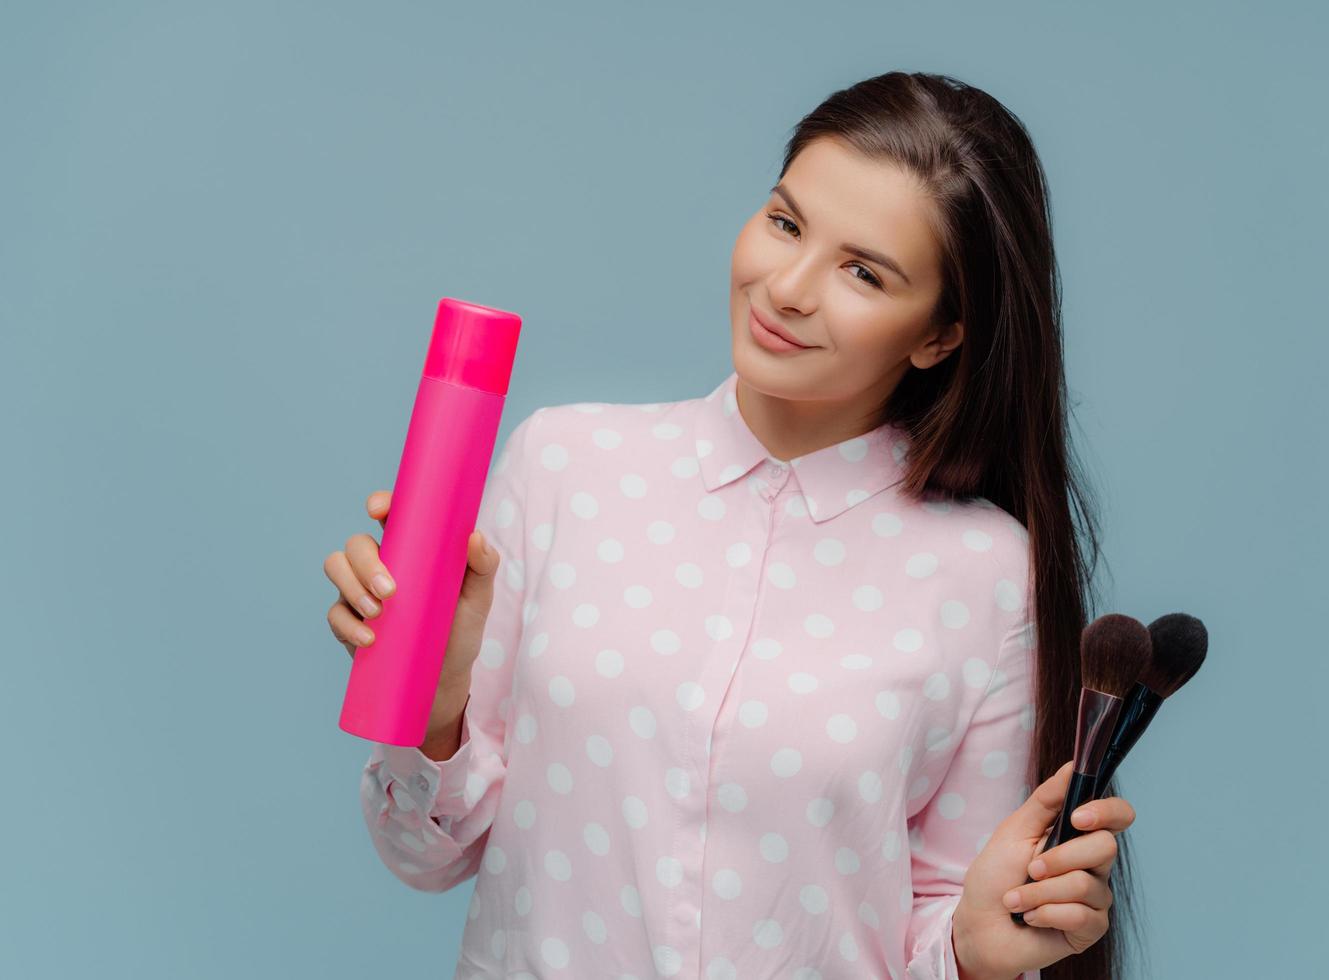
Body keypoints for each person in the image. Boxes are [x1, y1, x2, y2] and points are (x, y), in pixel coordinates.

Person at [324, 70, 1137, 980]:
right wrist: (436, 709)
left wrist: (971, 948)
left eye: (863, 272)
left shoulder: (987, 578)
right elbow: (424, 856)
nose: (786, 288)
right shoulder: (564, 467)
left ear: (940, 336)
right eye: (786, 223)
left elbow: (933, 927)